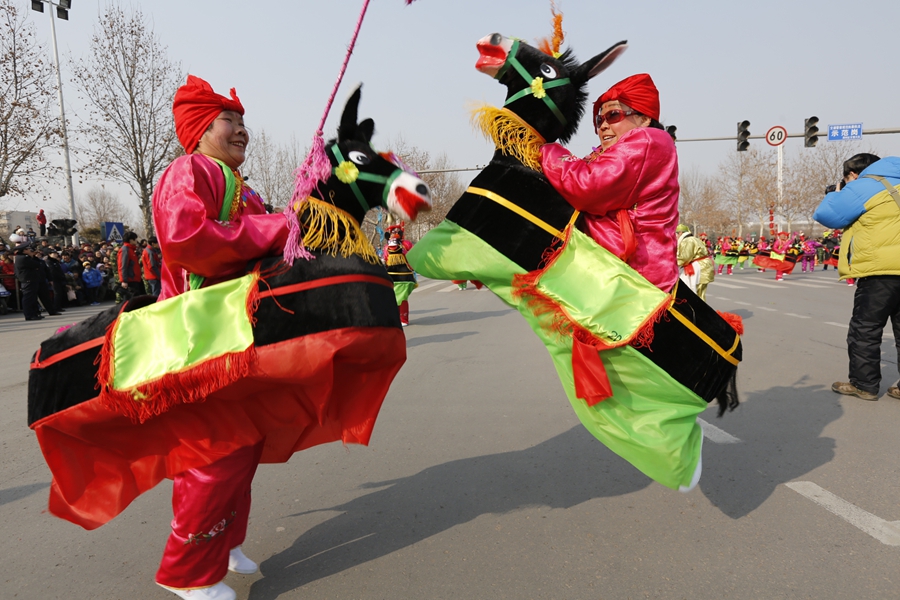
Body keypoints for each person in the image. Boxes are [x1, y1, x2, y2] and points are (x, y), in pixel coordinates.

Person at [150, 75, 289, 600]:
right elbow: (188, 239)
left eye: (242, 122)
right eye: (230, 120)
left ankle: (223, 544)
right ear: (200, 129)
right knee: (214, 452)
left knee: (244, 444)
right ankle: (185, 574)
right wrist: (278, 228)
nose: (241, 130)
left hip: (237, 335)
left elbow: (268, 244)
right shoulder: (188, 171)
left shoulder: (239, 183)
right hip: (198, 337)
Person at [540, 73, 679, 292]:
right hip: (612, 273)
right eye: (599, 120)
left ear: (644, 119)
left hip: (634, 281)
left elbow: (586, 186)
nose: (603, 126)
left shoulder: (649, 140)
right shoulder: (607, 155)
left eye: (614, 115)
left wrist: (543, 147)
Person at [814, 153, 900, 401]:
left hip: (880, 271)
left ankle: (864, 384)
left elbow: (827, 215)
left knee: (866, 329)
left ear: (852, 174)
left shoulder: (865, 185)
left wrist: (838, 193)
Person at [13, 243, 58, 320]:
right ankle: (29, 315)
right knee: (28, 298)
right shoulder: (23, 258)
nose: (30, 251)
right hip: (28, 280)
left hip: (32, 280)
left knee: (33, 298)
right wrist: (32, 257)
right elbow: (37, 264)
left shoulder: (24, 257)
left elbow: (38, 266)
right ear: (24, 251)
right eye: (28, 249)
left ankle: (34, 314)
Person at [675, 224, 714, 301]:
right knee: (700, 293)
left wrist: (670, 263)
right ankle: (701, 311)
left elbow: (685, 258)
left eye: (675, 234)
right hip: (703, 266)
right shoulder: (693, 239)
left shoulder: (687, 240)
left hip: (700, 268)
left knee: (696, 294)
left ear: (680, 233)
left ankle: (700, 312)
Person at [117, 232, 143, 301]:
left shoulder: (131, 250)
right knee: (130, 302)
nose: (136, 241)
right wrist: (124, 280)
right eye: (135, 239)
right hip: (130, 280)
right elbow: (123, 265)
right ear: (131, 240)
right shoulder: (125, 250)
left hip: (135, 279)